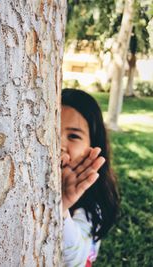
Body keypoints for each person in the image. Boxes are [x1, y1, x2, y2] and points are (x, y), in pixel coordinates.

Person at [61, 88, 119, 267]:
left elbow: (75, 259)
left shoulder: (94, 203)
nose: (60, 144)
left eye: (73, 136)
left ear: (93, 145)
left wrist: (60, 207)